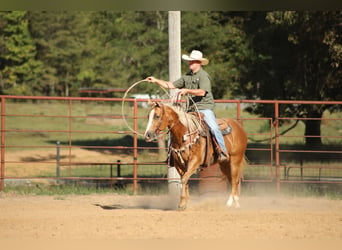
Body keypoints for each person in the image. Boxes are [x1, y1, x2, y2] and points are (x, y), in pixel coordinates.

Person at [146, 50, 229, 162]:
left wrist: (186, 90)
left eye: (192, 61)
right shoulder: (186, 77)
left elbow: (202, 92)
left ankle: (222, 151)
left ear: (198, 62)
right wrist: (156, 80)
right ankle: (172, 155)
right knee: (174, 128)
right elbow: (170, 85)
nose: (190, 63)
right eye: (189, 61)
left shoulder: (204, 76)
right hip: (190, 110)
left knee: (214, 127)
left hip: (204, 108)